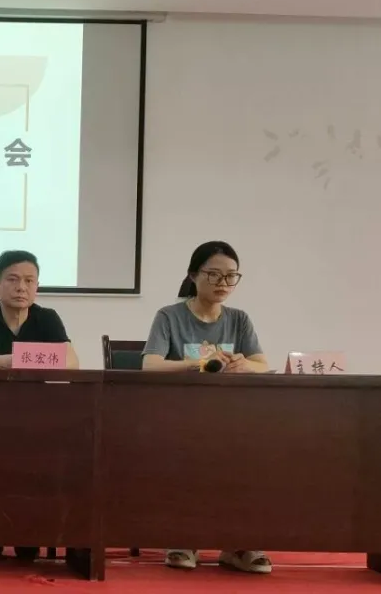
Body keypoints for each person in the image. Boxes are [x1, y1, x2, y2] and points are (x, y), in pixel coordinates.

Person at [142, 240, 272, 574]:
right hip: (181, 415)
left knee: (255, 456)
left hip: (233, 417)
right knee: (190, 452)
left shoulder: (239, 319)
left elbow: (262, 364)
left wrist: (243, 363)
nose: (223, 283)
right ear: (193, 275)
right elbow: (150, 365)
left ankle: (240, 544)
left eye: (230, 276)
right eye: (213, 274)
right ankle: (183, 539)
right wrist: (198, 363)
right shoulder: (169, 316)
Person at [0, 250, 79, 560]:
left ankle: (30, 532)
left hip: (38, 416)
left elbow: (72, 362)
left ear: (37, 286)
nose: (21, 287)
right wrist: (13, 360)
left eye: (29, 281)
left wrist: (24, 360)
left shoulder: (47, 318)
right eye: (12, 279)